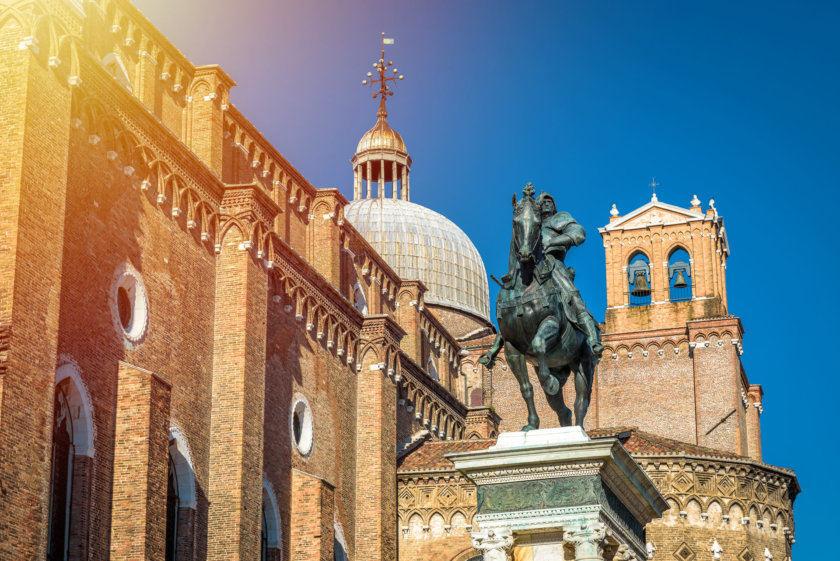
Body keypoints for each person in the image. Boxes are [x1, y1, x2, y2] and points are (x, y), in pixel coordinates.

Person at [536, 192, 604, 357]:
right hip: (531, 266)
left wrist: (553, 242)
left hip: (554, 267)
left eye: (549, 201)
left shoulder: (559, 218)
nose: (546, 203)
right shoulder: (532, 223)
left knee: (573, 298)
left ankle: (593, 340)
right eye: (543, 201)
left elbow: (578, 233)